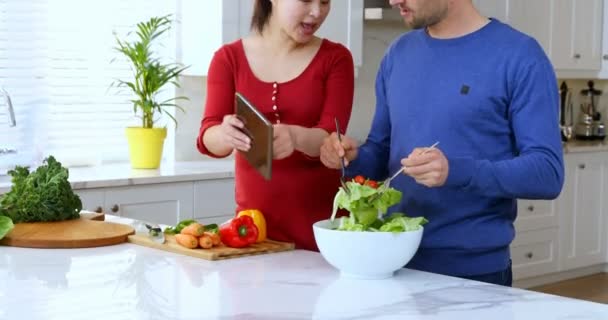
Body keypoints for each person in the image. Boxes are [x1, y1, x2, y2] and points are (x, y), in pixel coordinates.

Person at [319, 0, 564, 286]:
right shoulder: (398, 54)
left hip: (476, 274)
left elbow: (548, 173)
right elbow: (381, 153)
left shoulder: (520, 55)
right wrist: (351, 158)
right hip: (394, 262)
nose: (393, 1)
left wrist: (454, 172)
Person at [197, 0, 354, 251]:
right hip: (252, 229)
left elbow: (330, 138)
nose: (316, 12)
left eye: (325, 2)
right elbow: (208, 138)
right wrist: (225, 134)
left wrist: (296, 136)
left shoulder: (336, 58)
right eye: (306, 1)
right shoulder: (228, 59)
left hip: (324, 230)